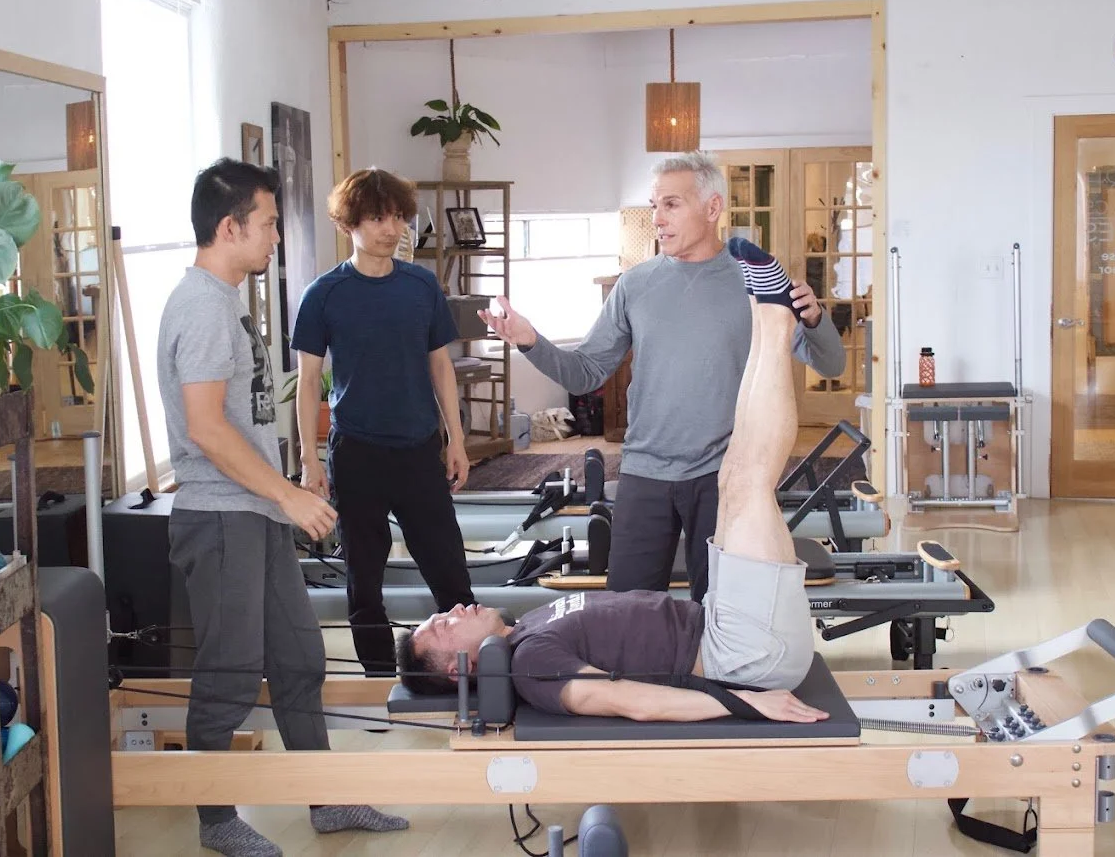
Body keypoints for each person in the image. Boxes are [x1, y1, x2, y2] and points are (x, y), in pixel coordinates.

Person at [398, 244, 830, 725]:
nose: (453, 608)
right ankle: (774, 316)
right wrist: (746, 702)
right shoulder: (532, 665)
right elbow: (628, 701)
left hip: (725, 625)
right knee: (751, 482)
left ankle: (763, 308)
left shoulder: (526, 631)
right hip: (745, 653)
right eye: (444, 625)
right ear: (464, 668)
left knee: (734, 475)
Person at [156, 158, 408, 857]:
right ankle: (215, 819)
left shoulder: (225, 299)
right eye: (267, 223)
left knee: (299, 659)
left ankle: (324, 798)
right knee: (231, 668)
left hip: (255, 513)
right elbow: (206, 427)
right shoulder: (203, 306)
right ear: (230, 225)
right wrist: (289, 493)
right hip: (222, 515)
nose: (275, 237)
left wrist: (286, 490)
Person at [479, 151, 845, 602]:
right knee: (625, 611)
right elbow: (585, 372)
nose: (657, 218)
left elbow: (831, 366)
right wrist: (529, 339)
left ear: (712, 208)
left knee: (723, 610)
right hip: (644, 472)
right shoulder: (635, 285)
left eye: (671, 204)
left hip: (722, 473)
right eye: (654, 206)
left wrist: (814, 319)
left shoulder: (755, 283)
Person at [291, 167, 477, 677]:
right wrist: (310, 459)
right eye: (377, 218)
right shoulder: (323, 294)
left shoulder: (421, 286)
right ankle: (378, 682)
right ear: (350, 223)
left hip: (419, 450)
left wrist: (456, 439)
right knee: (364, 582)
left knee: (451, 574)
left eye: (397, 217)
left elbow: (441, 364)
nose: (390, 229)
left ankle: (467, 673)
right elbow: (309, 384)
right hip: (357, 455)